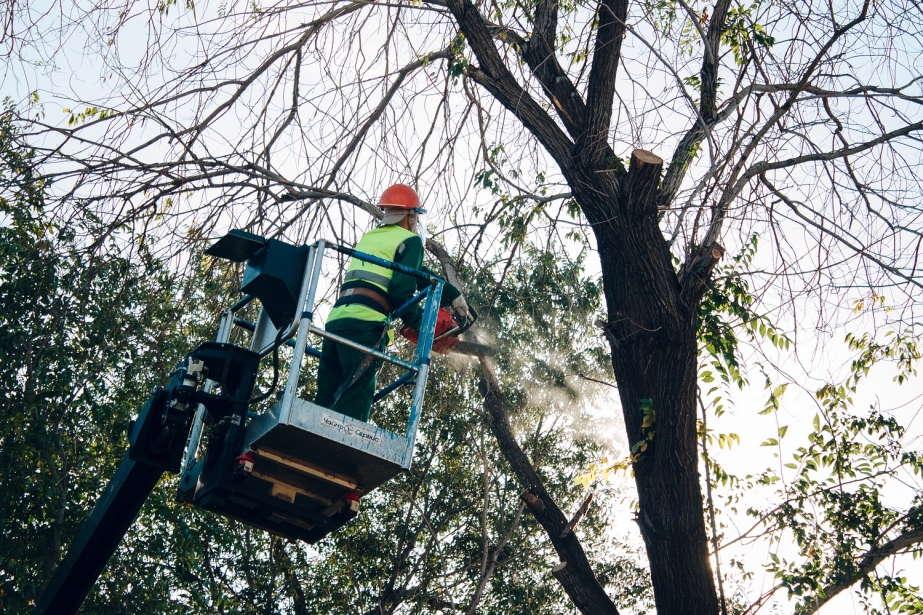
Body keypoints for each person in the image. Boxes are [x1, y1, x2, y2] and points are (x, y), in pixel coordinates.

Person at [314, 183, 467, 422]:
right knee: (355, 397)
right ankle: (340, 454)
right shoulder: (411, 241)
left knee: (327, 397)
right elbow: (401, 290)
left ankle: (309, 446)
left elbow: (416, 272)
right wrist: (421, 324)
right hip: (366, 325)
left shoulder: (371, 238)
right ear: (411, 216)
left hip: (336, 322)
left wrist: (451, 294)